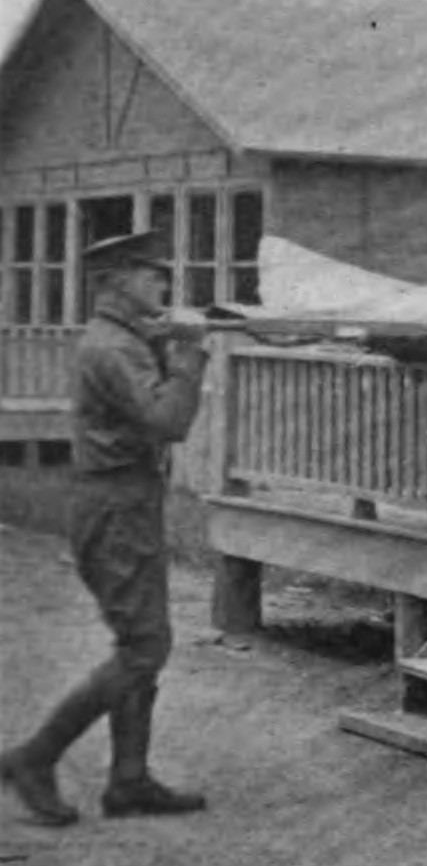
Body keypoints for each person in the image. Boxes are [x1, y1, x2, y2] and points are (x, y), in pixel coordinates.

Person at [0, 230, 209, 825]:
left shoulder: (125, 339)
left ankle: (129, 781)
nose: (163, 284)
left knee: (141, 641)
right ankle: (35, 757)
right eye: (151, 274)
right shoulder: (113, 348)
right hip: (115, 505)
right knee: (144, 649)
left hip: (127, 501)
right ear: (117, 281)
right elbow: (168, 420)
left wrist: (169, 343)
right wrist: (190, 353)